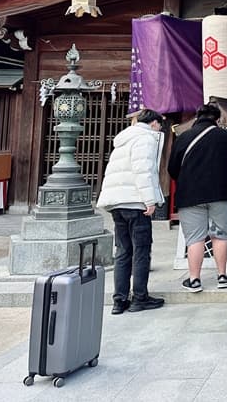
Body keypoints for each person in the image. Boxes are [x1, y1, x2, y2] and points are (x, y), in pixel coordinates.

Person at [96, 109, 167, 315]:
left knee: (124, 251)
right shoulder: (145, 139)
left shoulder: (124, 139)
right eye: (160, 124)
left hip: (117, 202)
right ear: (153, 123)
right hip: (135, 202)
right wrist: (149, 200)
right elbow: (143, 171)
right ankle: (139, 297)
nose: (160, 128)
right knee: (141, 250)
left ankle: (119, 300)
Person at [167, 103, 227, 293]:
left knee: (195, 239)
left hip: (190, 195)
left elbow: (172, 169)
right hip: (221, 194)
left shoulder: (183, 138)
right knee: (221, 235)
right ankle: (223, 276)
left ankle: (194, 279)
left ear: (197, 117)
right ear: (218, 119)